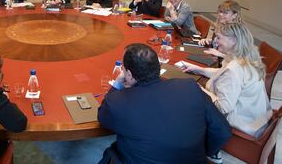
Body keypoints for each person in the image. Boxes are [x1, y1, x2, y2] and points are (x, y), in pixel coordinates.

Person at [98, 43, 231, 164]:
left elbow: (103, 116)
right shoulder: (190, 87)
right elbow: (223, 131)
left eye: (124, 69)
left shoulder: (117, 101)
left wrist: (117, 84)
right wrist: (201, 152)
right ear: (158, 66)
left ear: (129, 74)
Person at [183, 23, 272, 138]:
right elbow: (222, 73)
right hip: (255, 117)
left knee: (187, 104)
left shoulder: (234, 69)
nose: (215, 41)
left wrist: (200, 90)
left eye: (219, 37)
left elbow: (223, 107)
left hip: (241, 123)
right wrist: (199, 70)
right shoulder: (244, 58)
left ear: (234, 40)